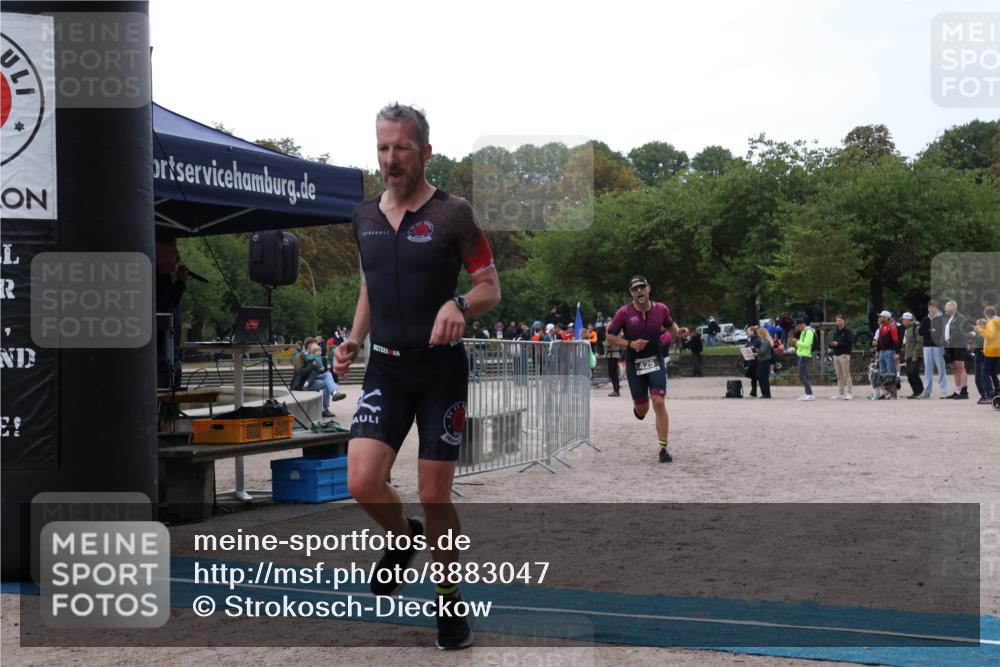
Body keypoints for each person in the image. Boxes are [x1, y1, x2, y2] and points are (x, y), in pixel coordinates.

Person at [332, 103, 500, 650]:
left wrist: (459, 304)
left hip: (439, 372)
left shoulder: (453, 214)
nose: (391, 158)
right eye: (383, 147)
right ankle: (404, 541)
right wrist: (356, 337)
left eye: (401, 147)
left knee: (433, 495)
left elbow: (490, 288)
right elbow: (369, 285)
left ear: (425, 152)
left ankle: (449, 602)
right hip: (386, 366)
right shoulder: (363, 217)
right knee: (361, 481)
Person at [605, 275, 682, 463]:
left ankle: (663, 448)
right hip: (634, 363)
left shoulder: (661, 309)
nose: (639, 291)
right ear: (631, 293)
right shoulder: (624, 313)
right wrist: (630, 344)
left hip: (655, 360)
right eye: (634, 289)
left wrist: (681, 332)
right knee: (643, 409)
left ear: (649, 288)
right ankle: (639, 408)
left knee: (659, 402)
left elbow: (672, 327)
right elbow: (610, 337)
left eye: (641, 287)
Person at [155, 230, 191, 390]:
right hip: (159, 361)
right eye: (174, 253)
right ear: (158, 253)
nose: (179, 259)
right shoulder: (151, 281)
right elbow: (163, 310)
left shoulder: (167, 280)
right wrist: (180, 285)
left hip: (172, 358)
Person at [305, 342, 346, 417]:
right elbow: (301, 372)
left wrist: (324, 368)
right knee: (327, 381)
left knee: (328, 375)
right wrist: (312, 366)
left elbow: (322, 370)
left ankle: (334, 393)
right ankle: (326, 408)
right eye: (310, 347)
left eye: (319, 351)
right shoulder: (306, 358)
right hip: (307, 382)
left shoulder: (320, 358)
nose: (319, 352)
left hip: (316, 378)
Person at [942, 300, 969, 399]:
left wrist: (949, 341)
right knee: (954, 368)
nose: (945, 308)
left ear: (953, 307)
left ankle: (964, 392)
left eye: (947, 306)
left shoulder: (960, 318)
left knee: (960, 367)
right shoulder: (950, 318)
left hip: (958, 345)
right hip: (950, 346)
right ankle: (958, 391)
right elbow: (946, 331)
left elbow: (959, 331)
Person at [873, 310, 902, 400]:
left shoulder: (892, 327)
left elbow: (896, 341)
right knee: (883, 373)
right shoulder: (881, 326)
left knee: (890, 373)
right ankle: (886, 393)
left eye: (881, 316)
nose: (879, 318)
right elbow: (879, 341)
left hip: (890, 351)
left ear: (886, 318)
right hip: (882, 351)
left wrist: (896, 353)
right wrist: (878, 351)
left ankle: (893, 394)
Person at [976, 306, 1000, 404]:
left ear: (986, 315)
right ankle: (997, 391)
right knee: (993, 372)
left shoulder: (991, 322)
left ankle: (989, 394)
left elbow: (991, 336)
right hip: (997, 350)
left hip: (991, 351)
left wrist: (980, 330)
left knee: (984, 372)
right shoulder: (997, 321)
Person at [788, 318, 816, 400]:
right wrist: (795, 343)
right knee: (805, 375)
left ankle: (810, 394)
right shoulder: (803, 332)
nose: (796, 328)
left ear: (801, 324)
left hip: (805, 355)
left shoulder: (809, 332)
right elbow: (801, 344)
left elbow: (807, 345)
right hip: (802, 355)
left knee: (801, 375)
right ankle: (808, 392)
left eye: (797, 326)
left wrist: (796, 341)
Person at [829, 314, 854, 399]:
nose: (838, 322)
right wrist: (832, 344)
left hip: (844, 355)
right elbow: (833, 342)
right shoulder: (836, 332)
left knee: (846, 374)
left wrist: (838, 344)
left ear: (844, 321)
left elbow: (849, 344)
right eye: (837, 320)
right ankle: (841, 393)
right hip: (836, 355)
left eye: (840, 320)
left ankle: (850, 393)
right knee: (839, 375)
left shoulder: (848, 332)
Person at [900, 312, 924, 399]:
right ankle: (915, 392)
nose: (902, 321)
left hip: (915, 355)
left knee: (913, 373)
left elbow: (920, 342)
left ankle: (920, 391)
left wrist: (916, 355)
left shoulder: (916, 328)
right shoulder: (908, 329)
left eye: (903, 319)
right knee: (909, 374)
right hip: (909, 355)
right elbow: (907, 345)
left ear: (908, 320)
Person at [753, 326, 774, 398]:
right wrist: (755, 354)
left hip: (764, 362)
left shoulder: (765, 342)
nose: (758, 335)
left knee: (763, 378)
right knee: (762, 378)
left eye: (759, 333)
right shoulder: (765, 341)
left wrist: (755, 349)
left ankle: (766, 394)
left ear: (762, 334)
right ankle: (765, 393)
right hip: (763, 361)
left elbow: (762, 352)